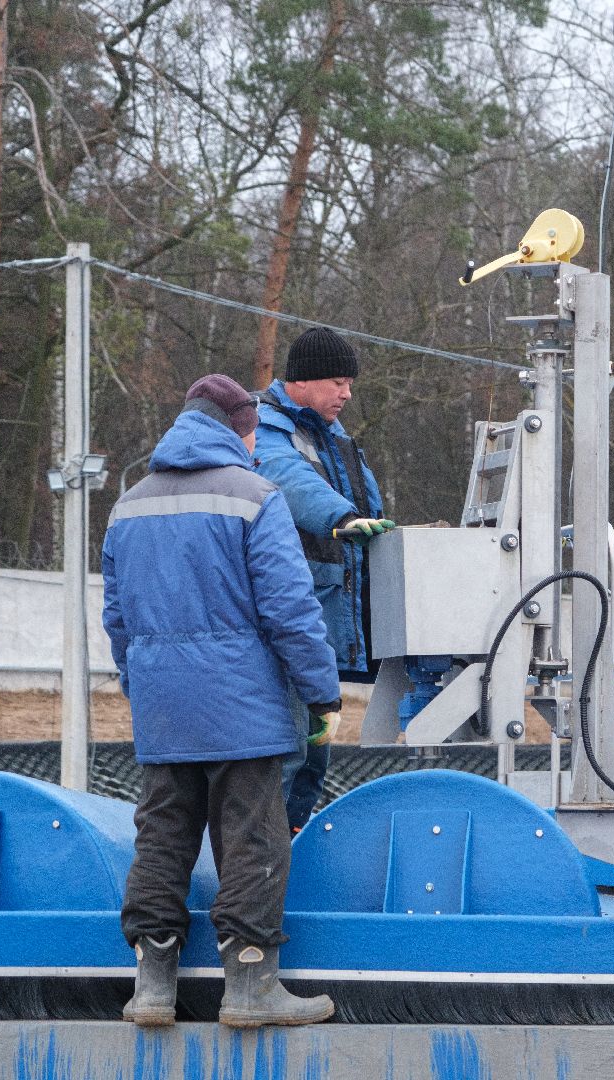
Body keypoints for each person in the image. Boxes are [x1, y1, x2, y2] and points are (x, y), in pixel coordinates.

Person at [103, 374, 342, 1028]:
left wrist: (144, 686)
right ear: (238, 431)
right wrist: (322, 691)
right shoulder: (254, 497)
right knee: (253, 841)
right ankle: (249, 987)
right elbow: (292, 612)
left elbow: (118, 619)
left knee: (163, 835)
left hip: (162, 708)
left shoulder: (130, 505)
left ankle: (152, 988)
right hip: (244, 710)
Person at [254, 327, 394, 832]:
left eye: (349, 383)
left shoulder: (337, 442)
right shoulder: (266, 432)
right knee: (287, 751)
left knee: (313, 760)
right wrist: (341, 516)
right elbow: (286, 480)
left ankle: (284, 851)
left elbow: (372, 514)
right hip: (282, 628)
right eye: (338, 381)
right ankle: (259, 869)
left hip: (319, 632)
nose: (347, 394)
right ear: (304, 381)